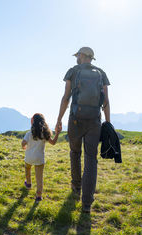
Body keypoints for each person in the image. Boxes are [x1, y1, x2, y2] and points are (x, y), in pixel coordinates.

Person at [56, 47, 110, 213]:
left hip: (75, 120)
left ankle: (76, 186)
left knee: (75, 153)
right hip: (94, 121)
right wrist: (107, 123)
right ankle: (87, 203)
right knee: (91, 159)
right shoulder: (101, 73)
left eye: (77, 55)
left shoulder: (73, 71)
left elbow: (66, 97)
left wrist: (59, 119)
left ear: (82, 56)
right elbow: (106, 100)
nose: (76, 58)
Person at [22, 113, 60, 201]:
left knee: (27, 168)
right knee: (39, 178)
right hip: (39, 159)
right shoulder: (45, 134)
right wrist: (57, 133)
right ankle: (38, 196)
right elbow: (53, 142)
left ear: (33, 121)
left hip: (29, 158)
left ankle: (28, 183)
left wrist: (24, 146)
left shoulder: (29, 133)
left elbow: (23, 143)